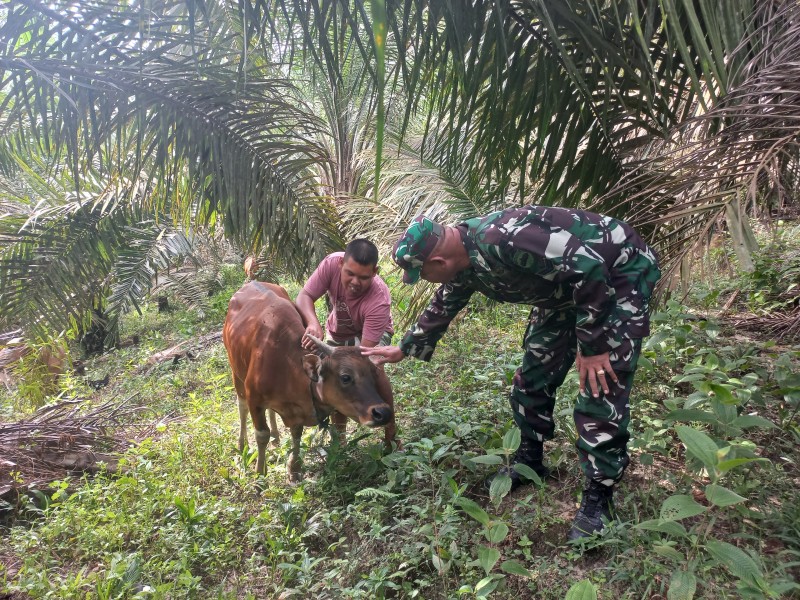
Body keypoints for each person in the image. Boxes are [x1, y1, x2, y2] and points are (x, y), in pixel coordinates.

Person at [362, 206, 660, 541]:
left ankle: (599, 498)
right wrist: (404, 347)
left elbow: (588, 266)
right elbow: (446, 299)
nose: (426, 281)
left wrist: (594, 346)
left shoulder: (503, 237)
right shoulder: (463, 259)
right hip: (563, 291)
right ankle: (530, 459)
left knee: (600, 384)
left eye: (423, 274)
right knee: (532, 376)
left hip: (618, 273)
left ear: (439, 263)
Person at [296, 238, 398, 446]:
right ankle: (339, 440)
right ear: (341, 263)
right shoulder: (330, 264)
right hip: (339, 330)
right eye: (349, 274)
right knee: (336, 376)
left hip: (371, 338)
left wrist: (334, 354)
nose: (355, 282)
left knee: (372, 370)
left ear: (375, 272)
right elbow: (304, 296)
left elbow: (363, 354)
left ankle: (392, 433)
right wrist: (313, 323)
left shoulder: (379, 300)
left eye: (363, 277)